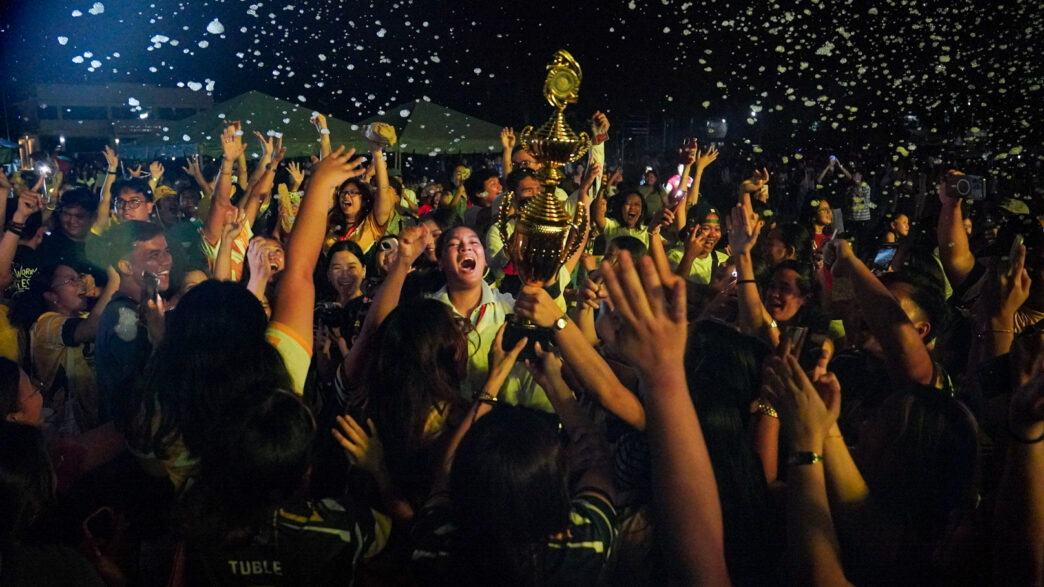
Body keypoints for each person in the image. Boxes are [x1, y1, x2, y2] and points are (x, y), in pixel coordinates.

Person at [93, 221, 171, 424]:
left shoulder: (144, 310)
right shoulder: (124, 318)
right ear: (126, 266)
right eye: (154, 255)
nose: (166, 261)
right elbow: (146, 384)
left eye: (166, 252)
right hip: (130, 435)